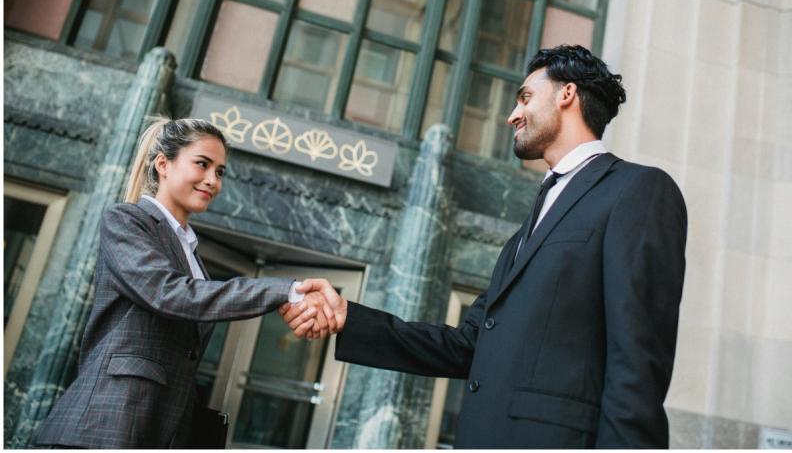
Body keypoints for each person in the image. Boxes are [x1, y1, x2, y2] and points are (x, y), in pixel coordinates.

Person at [283, 45, 688, 448]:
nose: (512, 114)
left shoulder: (638, 191)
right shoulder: (527, 230)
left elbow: (636, 361)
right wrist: (347, 317)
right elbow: (467, 345)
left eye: (525, 97)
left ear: (567, 94)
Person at [36, 118, 334, 449]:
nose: (213, 180)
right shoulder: (126, 221)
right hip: (106, 423)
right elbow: (169, 293)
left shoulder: (192, 256)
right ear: (163, 164)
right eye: (203, 164)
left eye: (220, 171)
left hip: (160, 427)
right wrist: (285, 291)